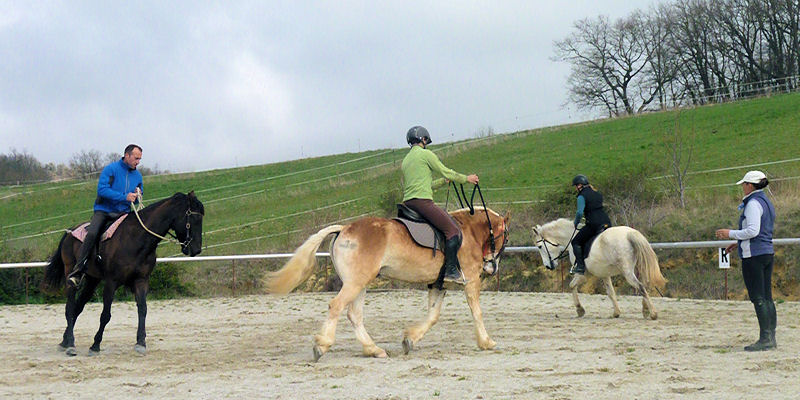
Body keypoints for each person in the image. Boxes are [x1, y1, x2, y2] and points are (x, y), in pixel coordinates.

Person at [401, 126, 479, 285]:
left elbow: (427, 184)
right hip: (422, 202)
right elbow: (446, 171)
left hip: (408, 203)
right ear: (423, 139)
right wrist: (466, 178)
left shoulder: (406, 160)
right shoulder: (425, 154)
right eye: (425, 141)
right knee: (453, 231)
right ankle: (450, 270)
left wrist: (444, 182)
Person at [715, 170, 776, 351]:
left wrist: (730, 234)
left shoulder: (752, 204)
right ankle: (770, 336)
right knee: (767, 297)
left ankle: (765, 338)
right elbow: (759, 231)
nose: (743, 187)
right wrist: (738, 241)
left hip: (754, 256)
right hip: (766, 252)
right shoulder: (766, 201)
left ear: (750, 185)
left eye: (744, 184)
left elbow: (752, 231)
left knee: (758, 297)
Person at [67, 144, 144, 287]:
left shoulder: (138, 176)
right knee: (92, 234)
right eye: (136, 158)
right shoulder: (111, 169)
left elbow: (139, 196)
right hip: (103, 211)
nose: (138, 162)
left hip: (123, 213)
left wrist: (138, 196)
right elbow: (102, 190)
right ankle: (78, 271)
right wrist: (124, 197)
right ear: (127, 155)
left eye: (140, 159)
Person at [570, 174, 611, 275]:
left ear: (580, 185)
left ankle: (580, 266)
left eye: (576, 186)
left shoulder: (581, 196)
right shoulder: (597, 193)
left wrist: (576, 223)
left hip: (594, 224)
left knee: (576, 242)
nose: (576, 188)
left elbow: (579, 212)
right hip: (606, 222)